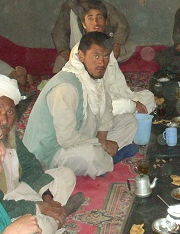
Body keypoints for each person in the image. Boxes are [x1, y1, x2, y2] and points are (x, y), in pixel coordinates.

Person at [0, 74, 83, 234]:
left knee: (66, 175)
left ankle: (53, 214)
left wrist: (47, 198)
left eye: (10, 112)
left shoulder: (7, 132)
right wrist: (38, 207)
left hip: (17, 191)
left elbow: (30, 167)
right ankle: (57, 217)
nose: (5, 120)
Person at [24, 32, 138, 178]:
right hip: (52, 151)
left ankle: (103, 159)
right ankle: (105, 160)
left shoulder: (94, 75)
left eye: (105, 56)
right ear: (81, 56)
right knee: (91, 155)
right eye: (96, 56)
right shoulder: (65, 87)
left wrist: (102, 136)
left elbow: (107, 108)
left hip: (82, 133)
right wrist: (101, 144)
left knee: (129, 121)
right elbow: (66, 138)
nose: (102, 63)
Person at [71, 0, 155, 114]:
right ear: (84, 24)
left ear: (105, 22)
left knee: (148, 96)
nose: (96, 22)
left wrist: (133, 100)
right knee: (126, 106)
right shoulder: (80, 51)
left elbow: (120, 84)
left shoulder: (107, 48)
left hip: (114, 99)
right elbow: (91, 92)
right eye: (90, 18)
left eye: (99, 18)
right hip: (94, 103)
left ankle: (131, 114)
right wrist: (129, 104)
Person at [51, 0, 130, 73]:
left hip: (102, 45)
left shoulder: (103, 6)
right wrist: (63, 50)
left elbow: (122, 24)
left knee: (118, 54)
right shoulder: (68, 8)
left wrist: (116, 43)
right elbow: (59, 31)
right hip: (80, 47)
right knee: (62, 63)